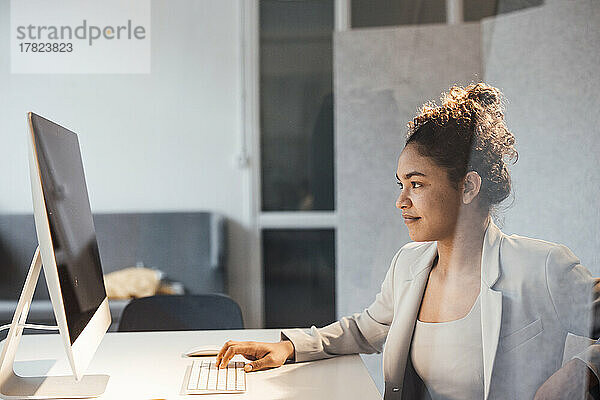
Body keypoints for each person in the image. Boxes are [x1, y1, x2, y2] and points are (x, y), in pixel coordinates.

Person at [215, 83, 600, 399]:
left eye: (416, 184)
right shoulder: (409, 263)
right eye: (401, 185)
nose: (402, 201)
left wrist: (583, 372)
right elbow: (366, 329)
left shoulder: (542, 268)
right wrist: (290, 347)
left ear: (467, 187)